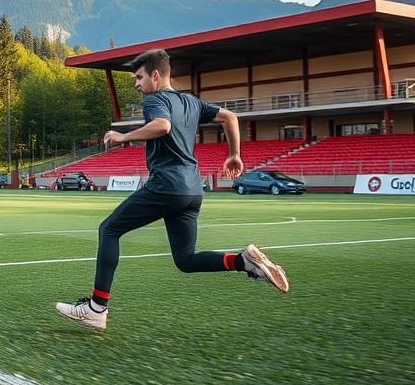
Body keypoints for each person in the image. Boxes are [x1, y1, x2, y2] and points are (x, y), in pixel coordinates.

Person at [56, 49, 289, 331]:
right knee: (186, 260)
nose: (136, 84)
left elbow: (163, 125)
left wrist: (124, 136)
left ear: (155, 75)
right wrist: (234, 154)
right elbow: (230, 117)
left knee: (109, 230)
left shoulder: (154, 99)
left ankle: (96, 309)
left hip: (167, 185)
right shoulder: (191, 102)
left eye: (139, 78)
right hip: (192, 190)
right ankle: (244, 262)